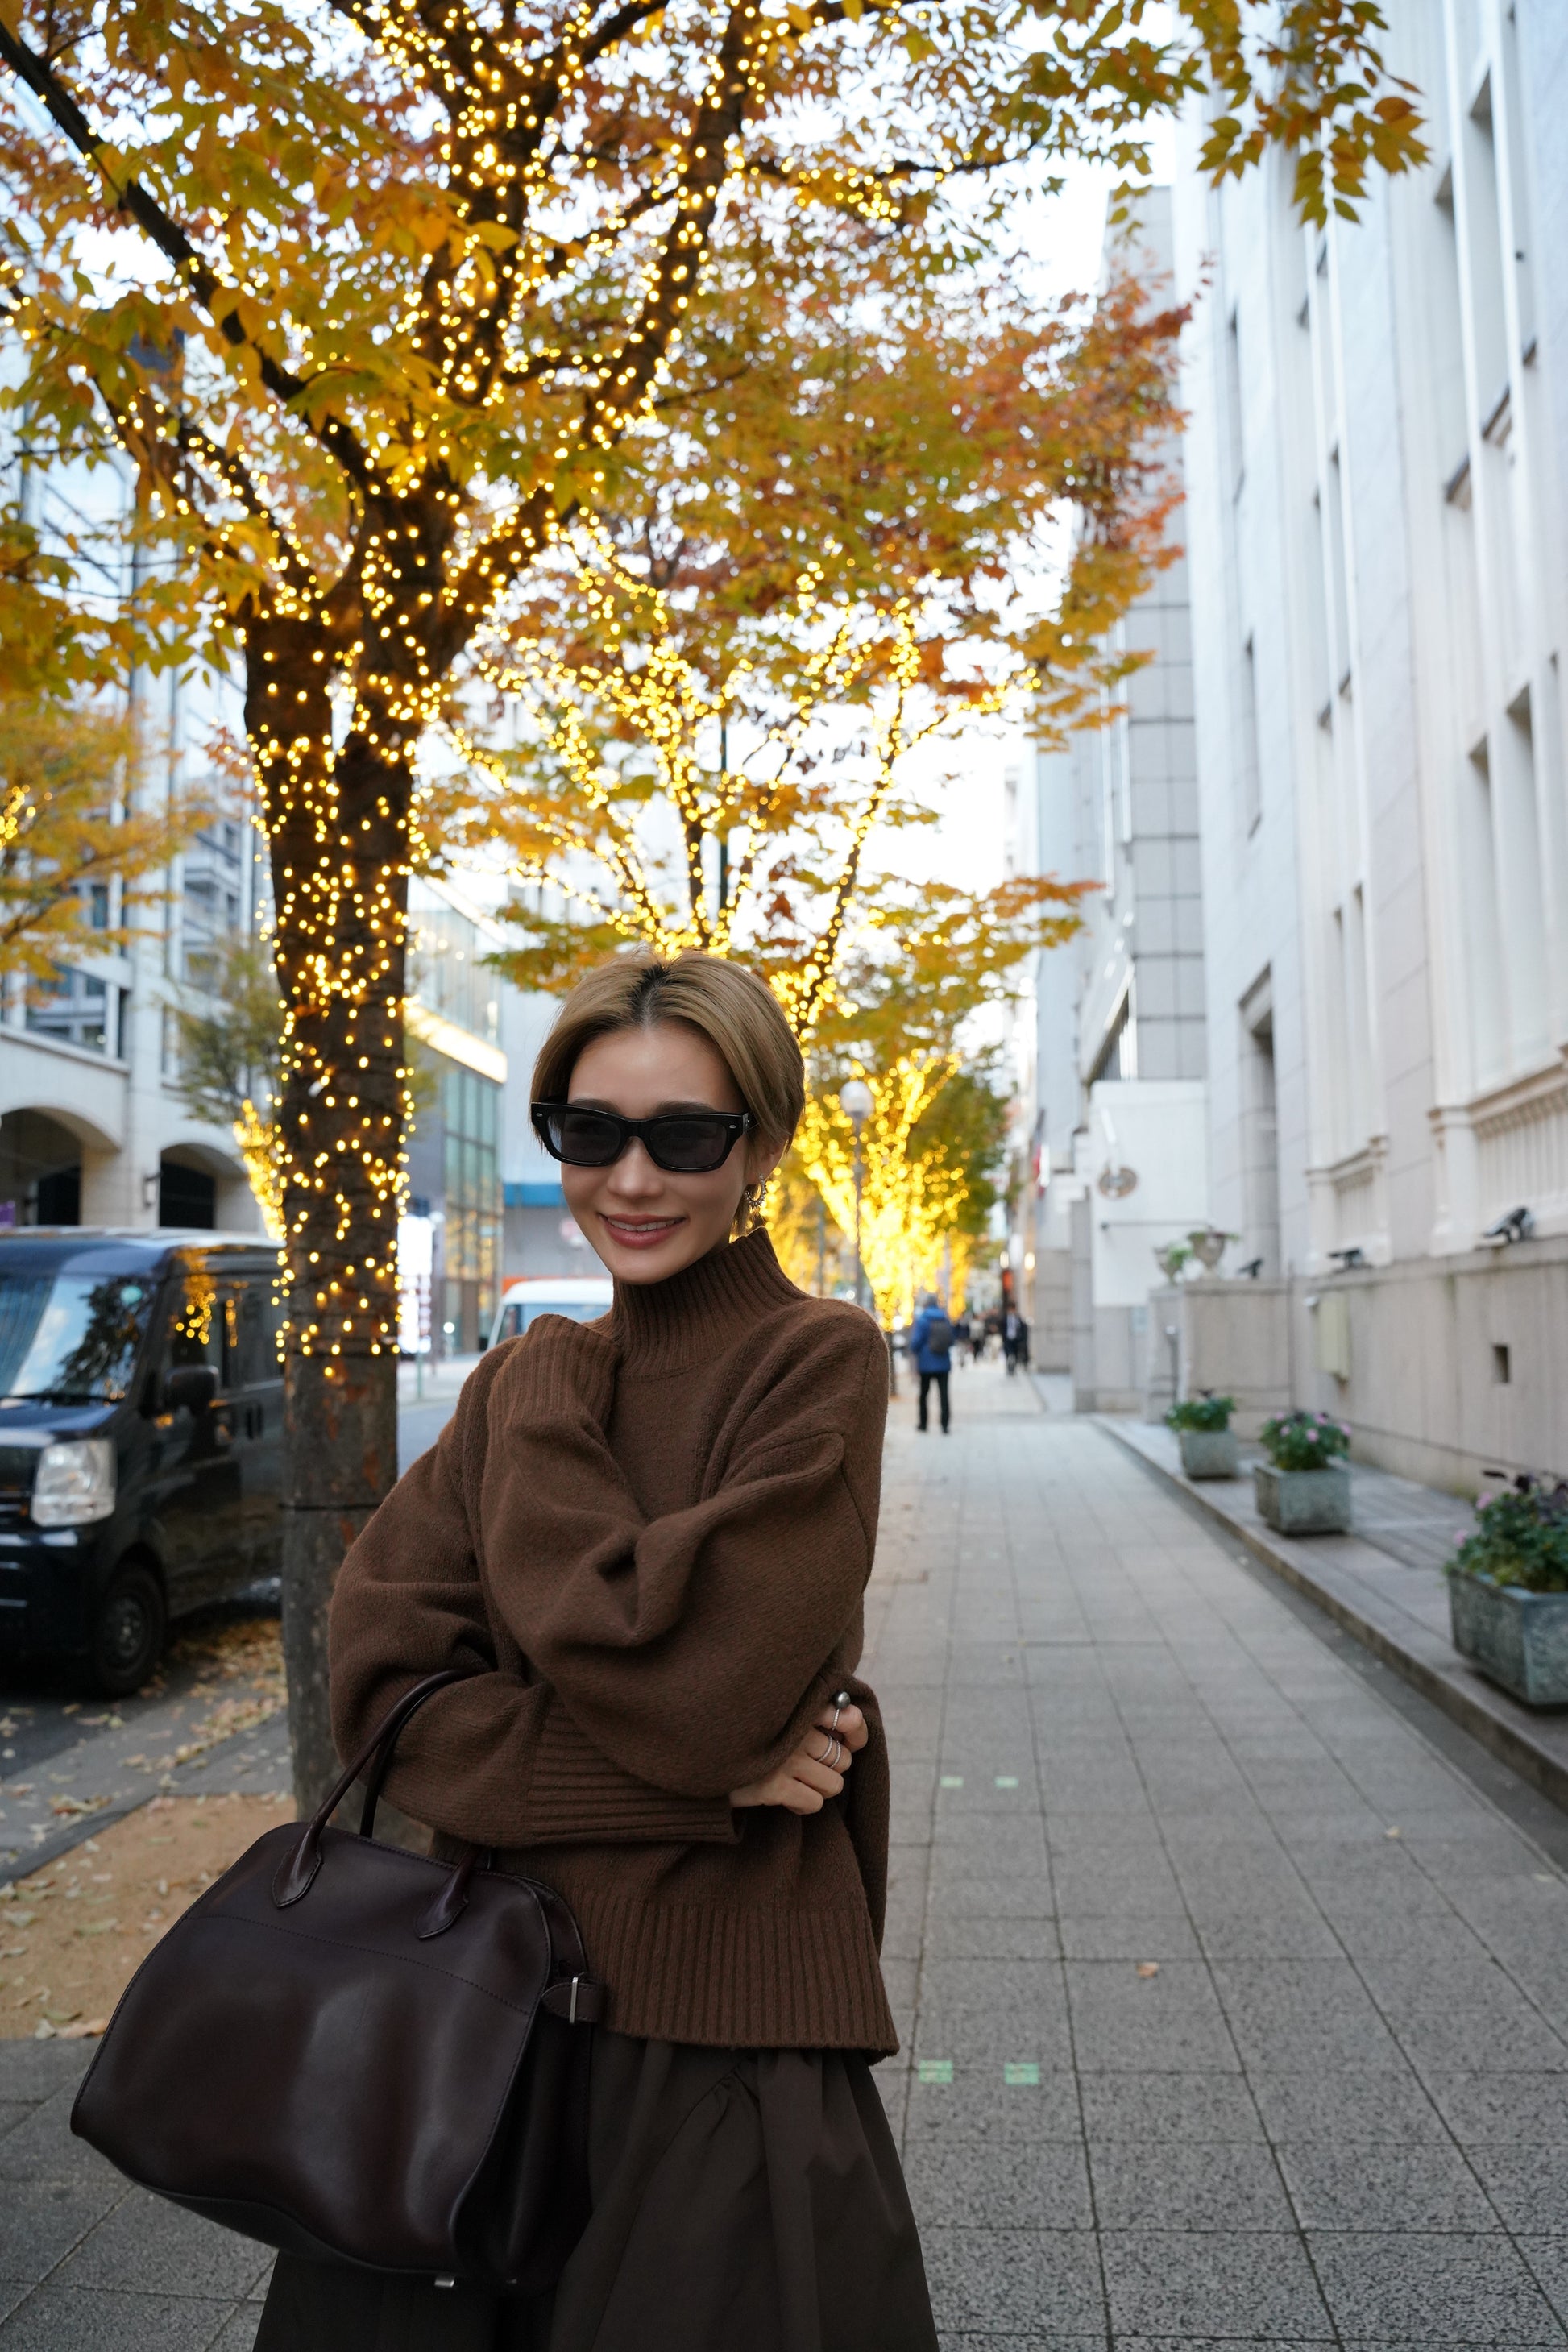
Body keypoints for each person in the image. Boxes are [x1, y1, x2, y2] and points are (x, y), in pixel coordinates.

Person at [255, 951, 935, 2352]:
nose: (630, 1178)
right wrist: (705, 1791)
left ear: (762, 1146)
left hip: (717, 2032)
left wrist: (547, 1412)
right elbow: (381, 1683)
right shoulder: (527, 1379)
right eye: (588, 1130)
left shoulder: (814, 1359)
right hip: (475, 2013)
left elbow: (693, 1684)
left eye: (684, 1135)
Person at [909, 1289, 953, 1433]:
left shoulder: (923, 1319)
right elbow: (951, 1340)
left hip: (926, 1364)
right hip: (943, 1363)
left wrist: (915, 1352)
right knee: (944, 1395)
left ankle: (923, 1424)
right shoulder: (945, 1318)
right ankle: (945, 1425)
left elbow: (916, 1342)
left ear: (926, 1304)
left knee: (924, 1395)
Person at [1002, 1305, 1030, 1377]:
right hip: (1008, 1340)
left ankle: (1013, 1369)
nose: (1011, 1312)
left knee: (1015, 1356)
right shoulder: (1004, 1319)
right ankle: (1009, 1369)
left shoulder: (1018, 1319)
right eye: (1010, 1310)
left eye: (1013, 1310)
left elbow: (1023, 1329)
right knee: (1009, 1355)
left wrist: (1022, 1339)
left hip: (1017, 1340)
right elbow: (1002, 1329)